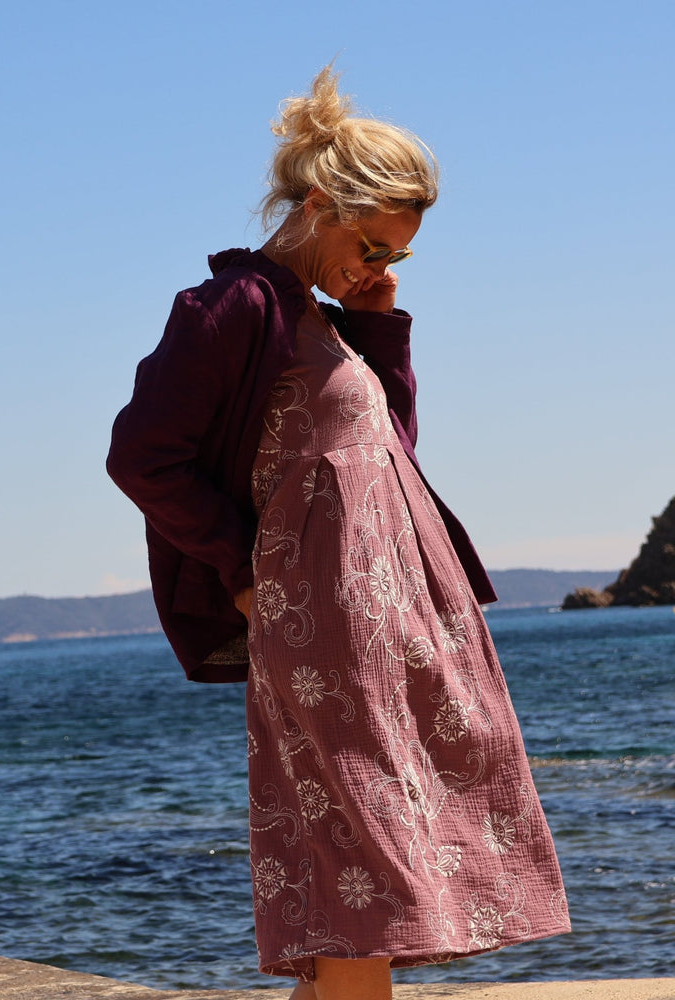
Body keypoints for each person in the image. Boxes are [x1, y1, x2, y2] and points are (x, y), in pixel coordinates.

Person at [106, 67, 570, 1000]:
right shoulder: (235, 308)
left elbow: (389, 453)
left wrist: (377, 327)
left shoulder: (326, 320)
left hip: (395, 623)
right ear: (320, 204)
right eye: (369, 244)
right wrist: (244, 571)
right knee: (366, 859)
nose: (378, 264)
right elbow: (141, 455)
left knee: (368, 857)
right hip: (324, 627)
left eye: (398, 252)